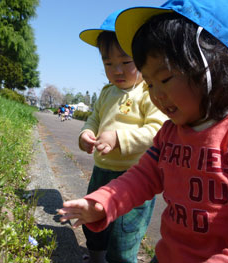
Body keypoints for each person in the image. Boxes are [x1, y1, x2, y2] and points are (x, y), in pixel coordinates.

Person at [58, 0, 228, 262]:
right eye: (149, 83)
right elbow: (142, 176)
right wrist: (104, 201)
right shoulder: (171, 133)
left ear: (219, 65)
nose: (156, 94)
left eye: (165, 78)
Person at [76, 9, 167, 263]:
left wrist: (119, 138)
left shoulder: (148, 92)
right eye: (107, 63)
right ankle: (95, 257)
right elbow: (94, 119)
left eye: (126, 62)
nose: (117, 70)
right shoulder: (106, 93)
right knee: (93, 221)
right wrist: (86, 134)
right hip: (101, 172)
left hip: (135, 177)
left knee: (124, 235)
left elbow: (157, 131)